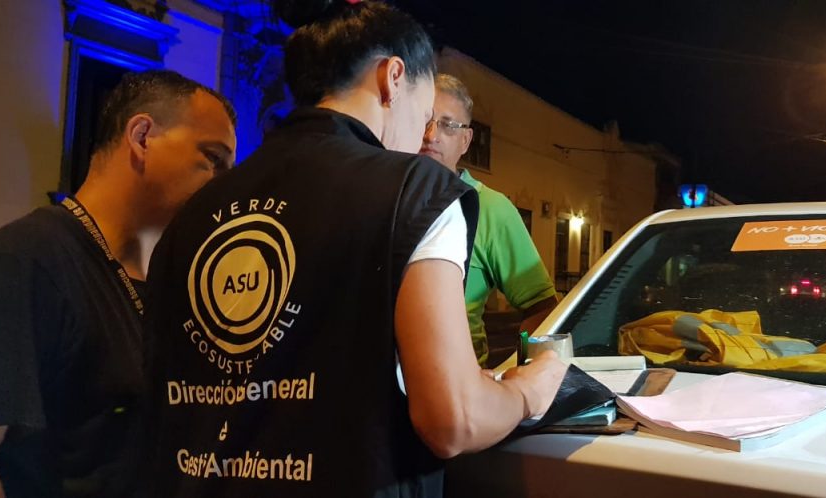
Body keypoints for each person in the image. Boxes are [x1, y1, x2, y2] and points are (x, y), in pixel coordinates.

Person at [141, 2, 567, 497]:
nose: (423, 135)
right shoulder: (416, 191)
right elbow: (455, 419)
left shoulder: (196, 210)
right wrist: (529, 389)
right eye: (424, 114)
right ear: (392, 78)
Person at [0, 70, 237, 498]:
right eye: (213, 159)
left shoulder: (174, 280)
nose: (225, 186)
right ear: (142, 137)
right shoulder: (22, 261)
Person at [420, 74, 559, 367]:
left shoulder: (490, 208)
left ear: (466, 140)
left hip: (459, 383)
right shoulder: (385, 194)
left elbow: (542, 308)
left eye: (447, 125)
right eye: (424, 120)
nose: (431, 135)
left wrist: (516, 371)